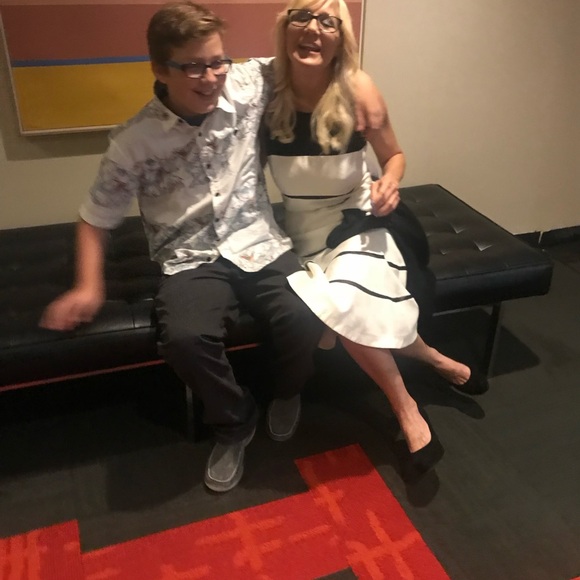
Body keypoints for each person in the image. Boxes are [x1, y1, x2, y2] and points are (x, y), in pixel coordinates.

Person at [39, 1, 385, 493]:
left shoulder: (249, 83)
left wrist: (361, 82)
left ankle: (287, 390)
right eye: (193, 66)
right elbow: (95, 217)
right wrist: (88, 286)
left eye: (218, 61)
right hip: (191, 258)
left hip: (259, 241)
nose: (211, 77)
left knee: (309, 313)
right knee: (185, 338)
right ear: (160, 69)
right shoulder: (134, 142)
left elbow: (312, 56)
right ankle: (234, 421)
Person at [263, 0, 488, 482]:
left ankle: (406, 409)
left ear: (340, 38)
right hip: (304, 234)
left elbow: (395, 156)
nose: (313, 28)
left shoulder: (356, 89)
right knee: (340, 304)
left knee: (342, 299)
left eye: (328, 21)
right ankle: (431, 357)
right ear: (285, 28)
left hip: (362, 219)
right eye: (302, 16)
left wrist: (390, 181)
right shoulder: (264, 94)